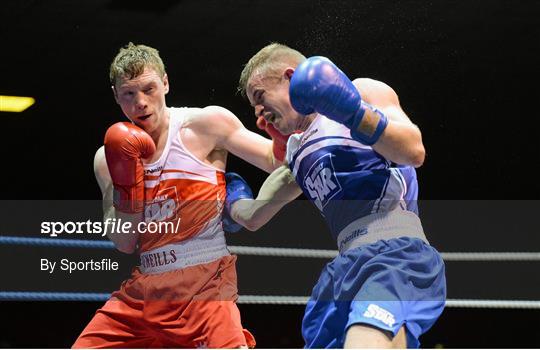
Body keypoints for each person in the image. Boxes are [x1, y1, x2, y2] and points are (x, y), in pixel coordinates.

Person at [229, 43, 447, 348]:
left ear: (291, 77)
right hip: (344, 268)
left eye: (260, 96)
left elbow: (414, 151)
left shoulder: (362, 92)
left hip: (395, 256)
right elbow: (253, 217)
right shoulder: (296, 154)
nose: (258, 112)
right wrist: (232, 198)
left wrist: (353, 112)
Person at [73, 43, 284, 348]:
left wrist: (287, 131)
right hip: (145, 287)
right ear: (116, 95)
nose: (141, 103)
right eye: (129, 94)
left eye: (149, 89)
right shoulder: (107, 159)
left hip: (205, 278)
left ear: (166, 83)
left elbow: (275, 160)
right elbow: (124, 242)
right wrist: (128, 188)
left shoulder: (205, 125)